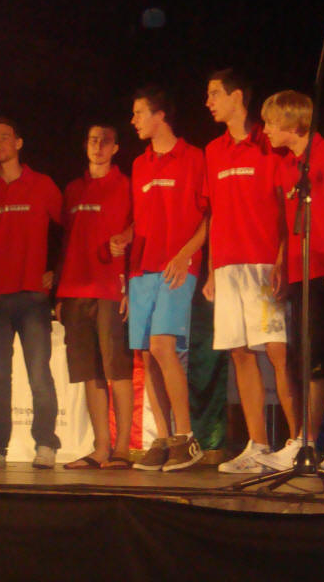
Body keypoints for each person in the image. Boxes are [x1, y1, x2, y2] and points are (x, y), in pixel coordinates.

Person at [255, 90, 324, 475]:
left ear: (293, 122)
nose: (265, 129)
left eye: (271, 122)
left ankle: (305, 442)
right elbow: (289, 223)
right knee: (319, 360)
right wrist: (281, 261)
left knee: (323, 359)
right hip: (301, 270)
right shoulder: (287, 166)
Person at [202, 69, 291, 474]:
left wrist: (282, 259)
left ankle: (298, 442)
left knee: (277, 352)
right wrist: (210, 271)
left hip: (263, 263)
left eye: (215, 94)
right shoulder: (213, 150)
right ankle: (258, 445)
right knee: (239, 353)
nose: (208, 103)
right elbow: (214, 213)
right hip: (227, 267)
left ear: (237, 96)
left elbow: (286, 206)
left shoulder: (268, 143)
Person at [0, 117, 62, 468]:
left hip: (33, 296)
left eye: (4, 137)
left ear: (19, 143)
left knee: (39, 374)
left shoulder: (43, 185)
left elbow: (70, 228)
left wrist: (58, 273)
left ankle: (46, 444)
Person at [119, 85, 207, 472]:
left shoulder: (194, 157)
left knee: (163, 346)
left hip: (177, 266)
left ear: (161, 116)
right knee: (146, 353)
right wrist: (125, 242)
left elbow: (210, 215)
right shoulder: (139, 164)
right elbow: (141, 220)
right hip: (142, 270)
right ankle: (163, 438)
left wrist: (186, 254)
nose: (134, 121)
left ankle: (186, 438)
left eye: (139, 113)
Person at [56, 124, 134, 470]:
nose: (98, 146)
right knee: (90, 372)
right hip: (74, 290)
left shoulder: (126, 184)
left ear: (115, 148)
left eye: (105, 141)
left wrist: (126, 238)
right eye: (92, 140)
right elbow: (67, 241)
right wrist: (59, 292)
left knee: (117, 368)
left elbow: (141, 225)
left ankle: (123, 448)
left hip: (110, 288)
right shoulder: (73, 189)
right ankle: (101, 447)